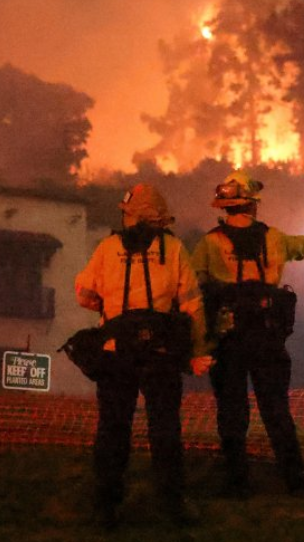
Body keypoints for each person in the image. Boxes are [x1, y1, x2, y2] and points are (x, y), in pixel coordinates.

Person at [73, 183, 214, 529]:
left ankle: (106, 508)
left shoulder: (107, 248)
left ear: (131, 215)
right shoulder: (174, 248)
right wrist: (197, 351)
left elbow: (84, 294)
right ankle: (172, 505)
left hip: (115, 353)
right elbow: (193, 305)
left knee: (112, 429)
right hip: (161, 354)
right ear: (159, 218)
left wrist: (109, 308)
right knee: (165, 429)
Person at [191, 170, 304, 498]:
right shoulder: (275, 238)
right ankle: (295, 478)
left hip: (228, 337)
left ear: (225, 206)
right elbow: (301, 247)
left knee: (232, 411)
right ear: (252, 204)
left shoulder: (209, 243)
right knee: (276, 408)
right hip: (267, 335)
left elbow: (193, 284)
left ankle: (237, 482)